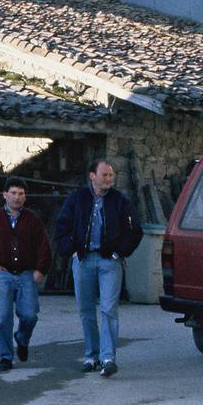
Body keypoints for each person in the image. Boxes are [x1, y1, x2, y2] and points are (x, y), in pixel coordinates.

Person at [54, 159, 143, 378]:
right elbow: (61, 226)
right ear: (92, 176)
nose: (109, 179)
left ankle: (108, 358)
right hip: (83, 261)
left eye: (111, 175)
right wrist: (72, 250)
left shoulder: (120, 201)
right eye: (105, 175)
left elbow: (135, 230)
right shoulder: (77, 199)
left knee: (108, 309)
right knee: (86, 310)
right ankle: (91, 356)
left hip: (109, 262)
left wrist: (118, 252)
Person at [0, 176, 52, 372]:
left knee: (30, 315)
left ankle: (22, 338)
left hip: (26, 275)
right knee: (2, 318)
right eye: (13, 193)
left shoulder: (32, 220)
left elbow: (43, 246)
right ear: (5, 195)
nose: (17, 197)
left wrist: (40, 269)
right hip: (3, 274)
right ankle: (6, 357)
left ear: (25, 197)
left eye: (21, 194)